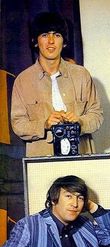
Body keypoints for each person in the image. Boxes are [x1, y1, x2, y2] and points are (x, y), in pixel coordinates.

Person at [11, 12, 103, 157]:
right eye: (45, 35)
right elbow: (18, 124)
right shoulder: (23, 81)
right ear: (36, 41)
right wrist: (45, 124)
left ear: (64, 42)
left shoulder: (81, 75)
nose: (51, 41)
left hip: (82, 156)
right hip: (42, 160)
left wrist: (80, 121)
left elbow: (97, 116)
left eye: (57, 35)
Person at [0, 175, 110, 247]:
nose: (75, 203)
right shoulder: (29, 225)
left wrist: (93, 207)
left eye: (80, 198)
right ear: (53, 199)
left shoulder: (85, 225)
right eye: (68, 196)